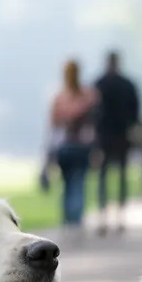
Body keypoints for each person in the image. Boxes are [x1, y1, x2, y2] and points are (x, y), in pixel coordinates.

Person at [92, 50, 141, 232]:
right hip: (123, 136)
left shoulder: (99, 83)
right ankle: (120, 216)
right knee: (121, 176)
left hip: (104, 136)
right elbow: (136, 112)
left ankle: (103, 215)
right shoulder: (128, 84)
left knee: (103, 177)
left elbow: (93, 112)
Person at [47, 58, 97, 229]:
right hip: (82, 146)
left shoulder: (59, 98)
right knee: (78, 182)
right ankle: (76, 218)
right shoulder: (89, 96)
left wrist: (49, 153)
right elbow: (94, 124)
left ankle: (68, 218)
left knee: (67, 183)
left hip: (64, 147)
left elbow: (53, 128)